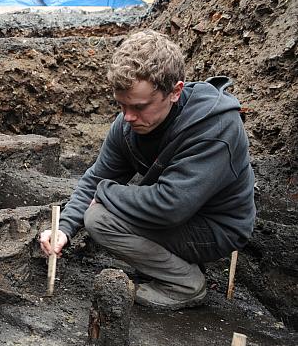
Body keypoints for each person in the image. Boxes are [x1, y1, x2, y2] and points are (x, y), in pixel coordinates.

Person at [39, 30, 255, 310]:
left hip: (217, 227)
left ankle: (184, 283)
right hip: (178, 216)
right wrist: (64, 228)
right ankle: (172, 264)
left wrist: (106, 192)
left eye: (139, 107)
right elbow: (97, 176)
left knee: (99, 218)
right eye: (121, 105)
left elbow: (170, 205)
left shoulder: (214, 129)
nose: (128, 117)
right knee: (98, 209)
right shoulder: (129, 124)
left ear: (175, 92)